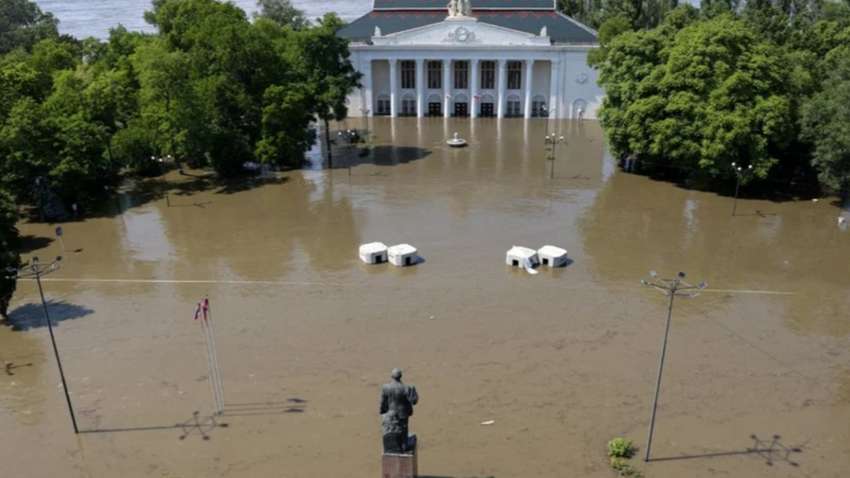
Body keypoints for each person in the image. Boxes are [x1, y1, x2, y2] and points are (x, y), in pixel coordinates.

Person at [380, 368, 419, 453]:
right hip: (403, 412)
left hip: (391, 412)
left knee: (392, 428)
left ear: (391, 376)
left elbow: (383, 401)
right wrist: (414, 392)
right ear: (401, 376)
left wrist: (382, 411)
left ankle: (394, 445)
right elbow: (414, 401)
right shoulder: (406, 388)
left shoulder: (385, 387)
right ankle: (403, 445)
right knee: (403, 429)